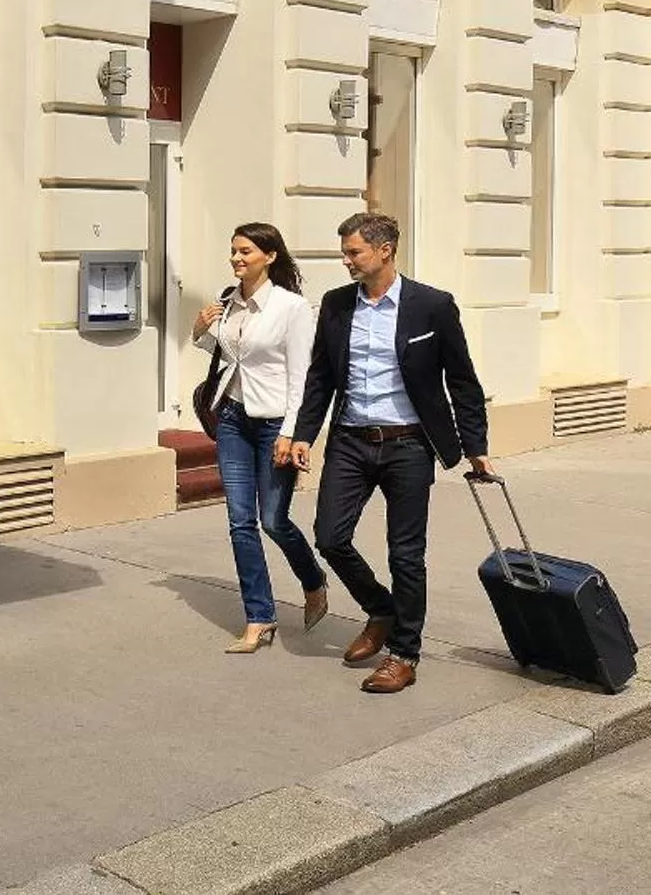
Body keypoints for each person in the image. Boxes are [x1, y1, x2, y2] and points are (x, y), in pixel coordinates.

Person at [288, 211, 494, 694]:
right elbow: (320, 376)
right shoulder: (337, 305)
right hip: (350, 441)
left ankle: (403, 653)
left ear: (385, 250)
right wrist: (304, 433)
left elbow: (462, 382)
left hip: (408, 446)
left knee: (406, 554)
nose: (346, 261)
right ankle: (381, 609)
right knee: (329, 537)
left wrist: (476, 447)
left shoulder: (432, 306)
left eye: (353, 252)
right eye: (345, 252)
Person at [193, 222, 332, 653]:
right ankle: (259, 617)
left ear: (270, 256)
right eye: (233, 251)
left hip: (274, 424)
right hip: (233, 420)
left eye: (246, 251)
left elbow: (301, 377)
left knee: (273, 520)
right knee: (240, 521)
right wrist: (200, 329)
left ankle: (313, 579)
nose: (237, 258)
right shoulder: (227, 302)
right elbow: (228, 357)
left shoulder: (291, 307)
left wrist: (292, 432)